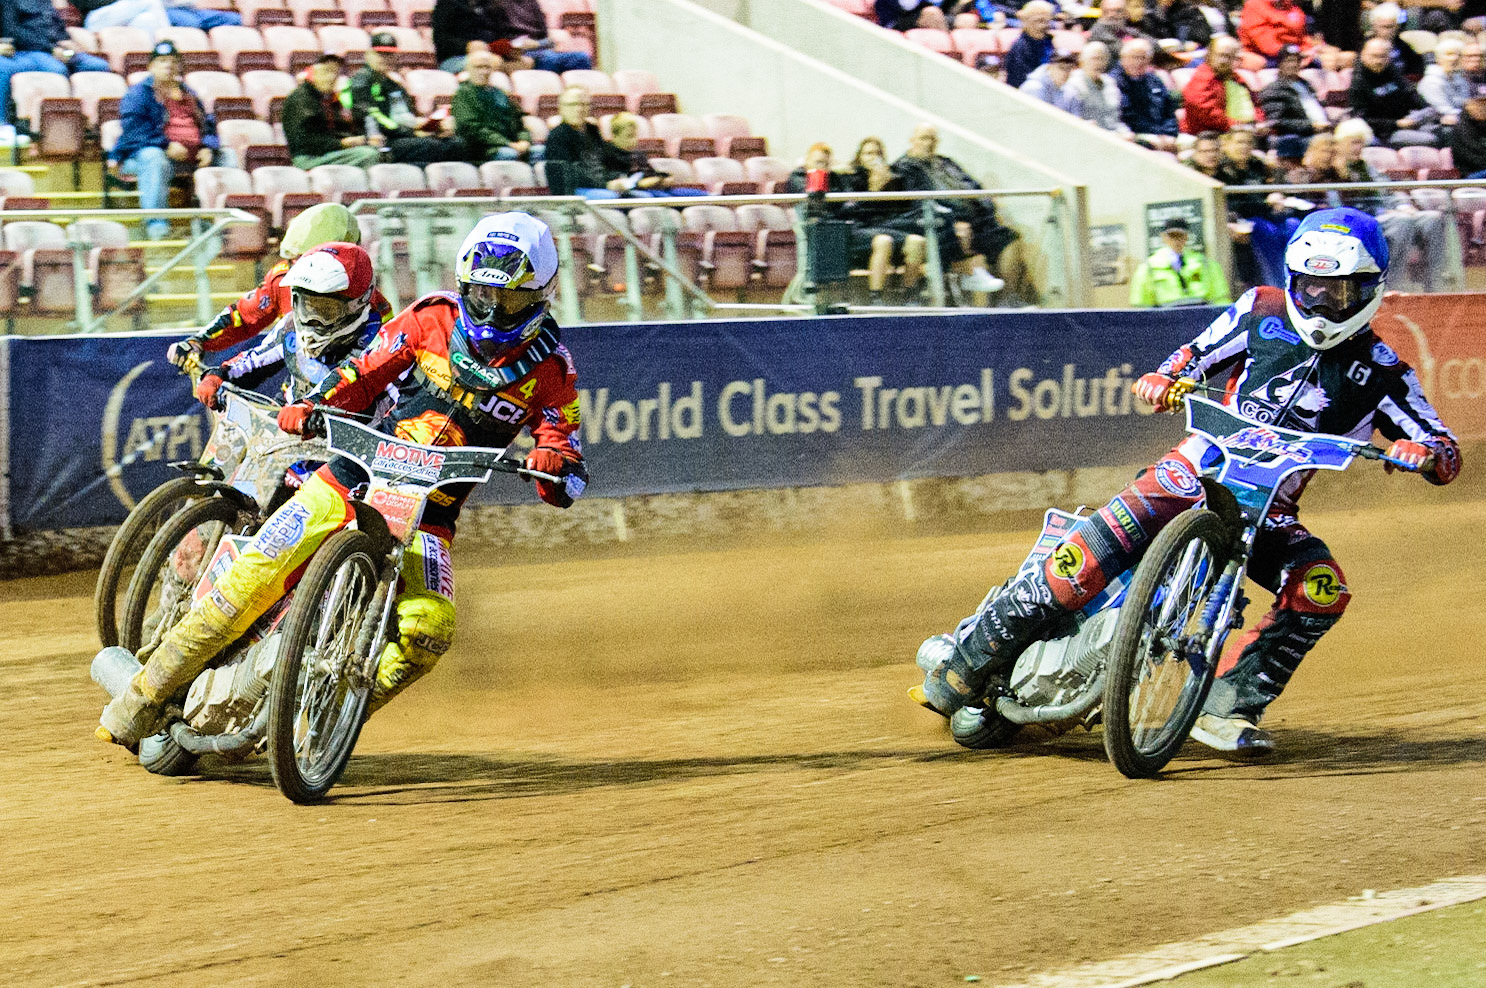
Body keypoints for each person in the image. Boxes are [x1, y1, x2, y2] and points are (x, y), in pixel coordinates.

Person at [915, 206, 1461, 756]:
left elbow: (1445, 447)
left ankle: (1229, 705)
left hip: (1268, 513)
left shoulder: (1385, 370)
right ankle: (968, 661)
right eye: (1310, 286)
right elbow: (1194, 356)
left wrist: (1427, 454)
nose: (1320, 302)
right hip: (1191, 471)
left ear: (1369, 289)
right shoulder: (1259, 310)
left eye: (1337, 291)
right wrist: (1166, 378)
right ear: (1292, 279)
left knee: (1321, 589)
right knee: (1087, 552)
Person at [97, 212, 589, 750]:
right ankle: (139, 701)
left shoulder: (553, 370)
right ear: (463, 281)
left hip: (431, 517)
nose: (492, 310)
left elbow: (566, 458)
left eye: (510, 300)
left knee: (428, 632)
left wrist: (553, 463)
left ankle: (327, 723)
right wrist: (313, 404)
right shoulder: (430, 319)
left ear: (542, 293)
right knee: (249, 577)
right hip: (355, 471)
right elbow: (363, 373)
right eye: (482, 294)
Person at [166, 203, 388, 367]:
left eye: (304, 259)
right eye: (293, 260)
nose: (295, 269)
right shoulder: (281, 278)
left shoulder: (368, 298)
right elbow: (242, 317)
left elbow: (389, 357)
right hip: (298, 394)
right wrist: (198, 342)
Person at [192, 242, 389, 416]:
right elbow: (254, 360)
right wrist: (218, 374)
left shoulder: (381, 340)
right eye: (306, 306)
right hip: (292, 434)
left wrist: (311, 407)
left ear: (359, 302)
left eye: (326, 310)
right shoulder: (290, 326)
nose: (312, 319)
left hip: (354, 444)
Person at [891, 123, 1027, 301]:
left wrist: (987, 207)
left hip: (976, 220)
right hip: (941, 225)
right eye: (924, 138)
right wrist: (953, 219)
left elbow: (974, 186)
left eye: (933, 139)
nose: (929, 143)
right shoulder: (905, 167)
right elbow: (920, 203)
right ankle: (973, 281)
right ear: (912, 140)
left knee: (1009, 238)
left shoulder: (946, 163)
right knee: (962, 234)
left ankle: (1009, 299)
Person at [113, 41, 230, 241]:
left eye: (173, 62)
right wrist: (165, 145)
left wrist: (207, 146)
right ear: (151, 66)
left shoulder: (188, 94)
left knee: (229, 157)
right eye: (162, 61)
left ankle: (223, 224)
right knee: (154, 158)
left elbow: (208, 123)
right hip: (140, 158)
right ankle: (156, 226)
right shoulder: (139, 94)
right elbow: (134, 131)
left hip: (190, 156)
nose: (168, 66)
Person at [1330, 118, 1449, 292]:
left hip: (1385, 216)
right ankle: (1391, 285)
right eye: (1354, 143)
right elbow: (1337, 205)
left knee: (1432, 219)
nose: (1359, 148)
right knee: (1402, 222)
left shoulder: (1366, 167)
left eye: (1361, 143)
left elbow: (1389, 190)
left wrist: (1403, 205)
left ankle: (1434, 285)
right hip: (1358, 221)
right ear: (1341, 144)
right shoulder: (1335, 169)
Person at [343, 33, 468, 166]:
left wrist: (430, 126)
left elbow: (404, 115)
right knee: (430, 146)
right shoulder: (360, 82)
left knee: (456, 143)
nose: (385, 59)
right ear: (369, 55)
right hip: (378, 140)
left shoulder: (393, 85)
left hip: (400, 136)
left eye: (389, 54)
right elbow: (373, 117)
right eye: (380, 54)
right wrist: (411, 132)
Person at [0, 0, 110, 143]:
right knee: (56, 69)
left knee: (99, 66)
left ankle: (92, 123)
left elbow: (58, 27)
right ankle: (61, 127)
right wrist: (51, 49)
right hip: (33, 51)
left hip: (57, 50)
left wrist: (67, 43)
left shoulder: (45, 2)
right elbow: (15, 33)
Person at [839, 136, 929, 304]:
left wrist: (890, 185)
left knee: (916, 242)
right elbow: (849, 211)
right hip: (858, 230)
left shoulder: (892, 177)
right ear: (860, 156)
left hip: (885, 227)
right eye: (868, 153)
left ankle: (909, 295)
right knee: (884, 241)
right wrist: (873, 191)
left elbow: (902, 208)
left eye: (877, 153)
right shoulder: (851, 177)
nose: (873, 157)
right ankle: (876, 297)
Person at [282, 53, 381, 171]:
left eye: (336, 72)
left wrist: (364, 139)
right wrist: (342, 143)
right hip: (308, 158)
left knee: (380, 151)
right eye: (327, 71)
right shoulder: (300, 99)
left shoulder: (329, 98)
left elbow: (342, 128)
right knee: (368, 155)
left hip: (329, 153)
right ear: (313, 72)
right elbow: (304, 141)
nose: (331, 77)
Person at [453, 49, 540, 162]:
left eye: (487, 67)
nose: (484, 72)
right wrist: (508, 143)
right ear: (468, 69)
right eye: (479, 67)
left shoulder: (501, 93)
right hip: (485, 149)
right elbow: (471, 128)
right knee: (509, 154)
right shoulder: (463, 94)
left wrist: (524, 141)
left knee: (541, 151)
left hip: (512, 144)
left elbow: (520, 124)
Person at [1349, 38, 1438, 148]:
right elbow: (1361, 120)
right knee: (1431, 139)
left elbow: (1410, 94)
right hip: (1385, 133)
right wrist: (1396, 123)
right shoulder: (1358, 82)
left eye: (1383, 56)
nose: (1379, 61)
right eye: (1374, 56)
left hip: (1409, 120)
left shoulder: (1392, 71)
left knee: (1441, 129)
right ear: (1363, 56)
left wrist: (1426, 109)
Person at [1129, 217, 1230, 306]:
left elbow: (1220, 299)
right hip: (1166, 321)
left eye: (1180, 235)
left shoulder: (1206, 264)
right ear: (1164, 238)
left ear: (1186, 237)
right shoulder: (1149, 268)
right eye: (1172, 236)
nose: (1176, 240)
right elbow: (1141, 304)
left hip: (1200, 317)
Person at [1181, 35, 1259, 134]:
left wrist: (1258, 122)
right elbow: (1206, 113)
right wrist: (1237, 126)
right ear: (1210, 55)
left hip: (1242, 131)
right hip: (1209, 135)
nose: (1224, 61)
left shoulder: (1237, 80)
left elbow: (1255, 104)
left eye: (1230, 57)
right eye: (1222, 55)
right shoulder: (1203, 78)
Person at [1113, 38, 1179, 150]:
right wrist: (1156, 134)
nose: (1139, 62)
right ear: (1123, 58)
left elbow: (1169, 112)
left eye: (1143, 58)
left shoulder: (1155, 81)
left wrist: (1169, 133)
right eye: (1134, 57)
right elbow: (1127, 115)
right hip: (1135, 134)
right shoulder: (1115, 82)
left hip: (1161, 134)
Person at [1258, 44, 1330, 138]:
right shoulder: (1274, 89)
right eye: (1289, 61)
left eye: (1297, 60)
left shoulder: (1306, 84)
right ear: (1280, 63)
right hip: (1299, 137)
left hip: (1323, 132)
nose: (1294, 64)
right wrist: (1311, 126)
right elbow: (1277, 122)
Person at [1063, 42, 1131, 137]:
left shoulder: (1111, 83)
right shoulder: (1072, 83)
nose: (1098, 63)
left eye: (1102, 59)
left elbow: (1116, 119)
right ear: (1082, 60)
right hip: (1088, 135)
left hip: (1114, 136)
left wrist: (1126, 133)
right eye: (1094, 58)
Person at [1365, 2, 1425, 80]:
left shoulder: (1402, 46)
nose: (1387, 32)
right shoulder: (1365, 46)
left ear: (1397, 26)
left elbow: (1416, 67)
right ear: (1374, 26)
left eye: (1390, 27)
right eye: (1383, 27)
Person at [1004, 0, 1055, 89]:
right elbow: (1020, 80)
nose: (1043, 26)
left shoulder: (1048, 42)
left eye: (1046, 21)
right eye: (1039, 21)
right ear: (1025, 22)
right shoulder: (1020, 47)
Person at [1419, 38, 1470, 127]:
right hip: (1437, 124)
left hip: (1463, 120)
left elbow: (1467, 103)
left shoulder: (1460, 79)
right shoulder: (1430, 82)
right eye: (1449, 54)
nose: (1454, 58)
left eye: (1459, 55)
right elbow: (1443, 111)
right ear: (1438, 58)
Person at [1236, 0, 1308, 61]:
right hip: (1265, 57)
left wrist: (1307, 50)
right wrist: (1294, 52)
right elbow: (1265, 43)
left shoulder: (1291, 7)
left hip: (1295, 55)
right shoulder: (1254, 5)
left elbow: (1301, 36)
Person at [1450, 83, 1486, 178]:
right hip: (1472, 175)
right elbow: (1472, 158)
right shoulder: (1463, 127)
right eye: (1480, 102)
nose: (1483, 106)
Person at [1143, 0, 1211, 49]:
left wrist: (1191, 43)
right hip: (1158, 54)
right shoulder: (1146, 11)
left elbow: (1203, 36)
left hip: (1187, 53)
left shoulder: (1188, 10)